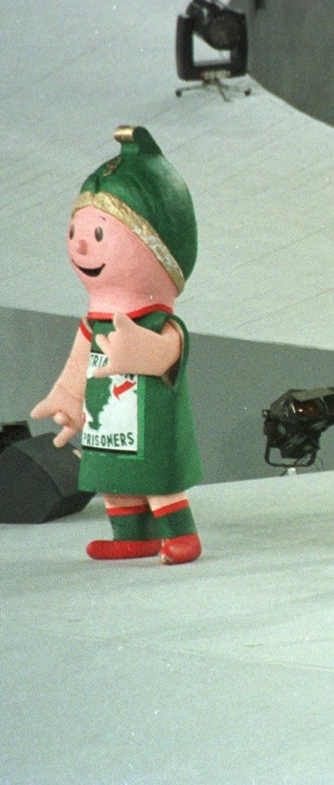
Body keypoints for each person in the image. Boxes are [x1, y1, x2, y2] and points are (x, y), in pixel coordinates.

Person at [32, 126, 203, 565]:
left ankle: (179, 534)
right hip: (108, 419)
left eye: (101, 234)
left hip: (148, 423)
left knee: (157, 476)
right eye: (77, 231)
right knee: (114, 478)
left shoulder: (160, 320)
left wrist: (141, 352)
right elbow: (78, 361)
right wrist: (68, 396)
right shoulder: (94, 321)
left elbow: (168, 351)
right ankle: (131, 534)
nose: (81, 244)